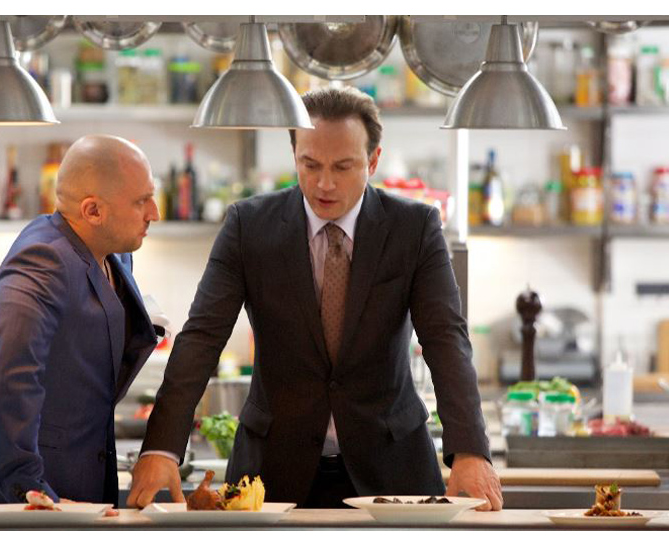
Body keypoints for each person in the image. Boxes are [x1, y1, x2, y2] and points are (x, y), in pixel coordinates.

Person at [129, 86, 502, 511]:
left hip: (393, 470)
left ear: (373, 161)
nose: (324, 183)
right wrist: (161, 448)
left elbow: (446, 339)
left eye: (343, 167)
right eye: (310, 164)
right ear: (294, 155)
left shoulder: (414, 229)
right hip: (271, 474)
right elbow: (201, 338)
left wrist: (470, 451)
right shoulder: (247, 226)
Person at [0, 135, 161, 508]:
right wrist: (29, 486)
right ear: (92, 211)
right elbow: (10, 373)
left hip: (75, 486)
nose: (154, 212)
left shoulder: (116, 256)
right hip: (11, 498)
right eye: (141, 201)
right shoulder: (43, 259)